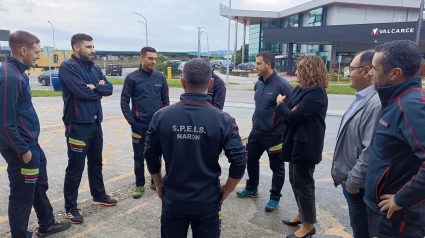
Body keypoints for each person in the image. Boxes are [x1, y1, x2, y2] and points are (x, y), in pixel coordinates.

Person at [144, 58, 247, 238]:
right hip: (207, 200)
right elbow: (239, 159)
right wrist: (228, 189)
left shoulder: (161, 116)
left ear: (182, 82)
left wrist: (159, 184)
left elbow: (150, 153)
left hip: (173, 199)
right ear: (212, 83)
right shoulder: (223, 120)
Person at [0, 30, 71, 237]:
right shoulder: (9, 76)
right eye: (37, 52)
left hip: (30, 142)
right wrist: (23, 151)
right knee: (22, 194)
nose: (39, 56)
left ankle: (47, 223)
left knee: (39, 185)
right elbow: (5, 123)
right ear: (23, 50)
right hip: (21, 147)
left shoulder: (18, 72)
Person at [365, 40, 425, 237]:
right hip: (384, 214)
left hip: (398, 220)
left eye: (374, 68)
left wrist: (401, 199)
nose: (370, 73)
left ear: (394, 73)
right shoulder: (396, 100)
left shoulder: (412, 106)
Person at [59, 33, 116, 225]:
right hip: (77, 124)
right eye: (88, 47)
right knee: (75, 167)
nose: (93, 50)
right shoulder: (68, 67)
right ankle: (70, 207)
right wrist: (93, 88)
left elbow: (109, 89)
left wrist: (95, 87)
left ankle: (99, 195)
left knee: (96, 162)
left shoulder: (94, 67)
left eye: (93, 47)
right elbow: (81, 92)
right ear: (76, 47)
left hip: (95, 123)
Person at [276, 56, 328, 238]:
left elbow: (293, 116)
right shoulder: (301, 88)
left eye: (300, 69)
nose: (297, 72)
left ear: (309, 70)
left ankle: (308, 224)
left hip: (306, 145)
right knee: (294, 180)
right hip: (294, 142)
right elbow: (291, 110)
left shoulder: (317, 92)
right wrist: (289, 108)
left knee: (304, 184)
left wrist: (281, 104)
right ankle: (302, 213)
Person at [331, 50, 381, 238]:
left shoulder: (375, 103)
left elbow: (371, 149)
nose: (348, 73)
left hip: (358, 186)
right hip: (353, 182)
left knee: (362, 231)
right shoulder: (362, 97)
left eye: (351, 68)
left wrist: (352, 182)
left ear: (366, 70)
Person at [236, 51, 293, 212]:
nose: (256, 66)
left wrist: (285, 131)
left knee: (277, 167)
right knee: (250, 160)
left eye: (259, 63)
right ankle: (252, 188)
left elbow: (292, 110)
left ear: (269, 64)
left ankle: (275, 197)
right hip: (256, 132)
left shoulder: (283, 85)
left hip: (275, 135)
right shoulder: (259, 84)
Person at [121, 46, 169, 198]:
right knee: (139, 157)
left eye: (155, 59)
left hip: (156, 126)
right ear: (142, 58)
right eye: (150, 58)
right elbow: (124, 101)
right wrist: (132, 122)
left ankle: (155, 182)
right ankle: (139, 184)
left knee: (157, 155)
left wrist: (163, 121)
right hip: (138, 125)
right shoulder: (132, 78)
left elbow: (165, 102)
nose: (153, 61)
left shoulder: (160, 78)